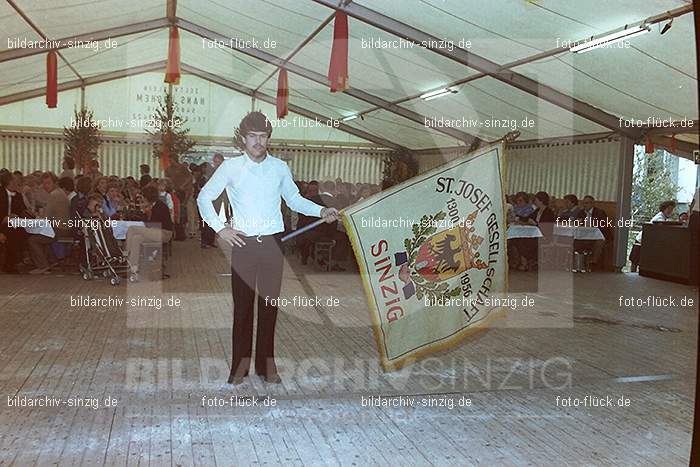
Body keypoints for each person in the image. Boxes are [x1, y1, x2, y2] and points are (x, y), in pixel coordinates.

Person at [197, 111, 338, 385]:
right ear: (243, 138)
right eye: (252, 136)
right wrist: (221, 229)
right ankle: (239, 368)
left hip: (273, 244)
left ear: (268, 138)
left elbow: (295, 200)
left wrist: (321, 210)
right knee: (243, 309)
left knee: (269, 307)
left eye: (262, 136)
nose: (258, 142)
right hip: (244, 245)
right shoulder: (230, 167)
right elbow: (205, 198)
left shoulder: (280, 168)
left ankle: (266, 367)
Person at [125, 185, 173, 278]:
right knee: (136, 239)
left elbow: (152, 224)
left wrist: (147, 213)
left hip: (164, 233)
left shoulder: (160, 206)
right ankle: (133, 267)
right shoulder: (153, 205)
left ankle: (125, 254)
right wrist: (146, 213)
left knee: (132, 228)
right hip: (156, 232)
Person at [27, 172, 70, 274]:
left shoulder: (54, 195)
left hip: (60, 230)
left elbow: (46, 217)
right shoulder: (60, 193)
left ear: (55, 183)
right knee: (41, 236)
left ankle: (43, 266)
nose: (46, 186)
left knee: (32, 240)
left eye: (48, 183)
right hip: (64, 228)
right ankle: (52, 261)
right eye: (44, 183)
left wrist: (36, 216)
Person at [628, 200, 676, 272]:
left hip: (646, 240)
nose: (670, 211)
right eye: (668, 208)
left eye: (672, 209)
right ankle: (632, 275)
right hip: (641, 240)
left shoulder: (663, 217)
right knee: (635, 260)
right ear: (664, 208)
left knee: (638, 260)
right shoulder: (660, 218)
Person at [1, 171, 31, 273]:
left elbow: (21, 210)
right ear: (8, 183)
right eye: (13, 182)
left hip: (12, 224)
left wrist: (17, 216)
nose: (15, 184)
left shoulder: (18, 195)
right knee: (10, 233)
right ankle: (9, 264)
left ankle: (12, 263)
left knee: (20, 232)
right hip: (1, 223)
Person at [576, 195, 609, 270]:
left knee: (600, 242)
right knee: (575, 240)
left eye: (587, 203)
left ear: (592, 203)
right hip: (584, 235)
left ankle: (593, 262)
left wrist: (593, 225)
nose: (585, 205)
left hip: (599, 234)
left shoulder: (600, 212)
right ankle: (578, 262)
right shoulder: (581, 212)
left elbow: (604, 226)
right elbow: (577, 223)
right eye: (584, 203)